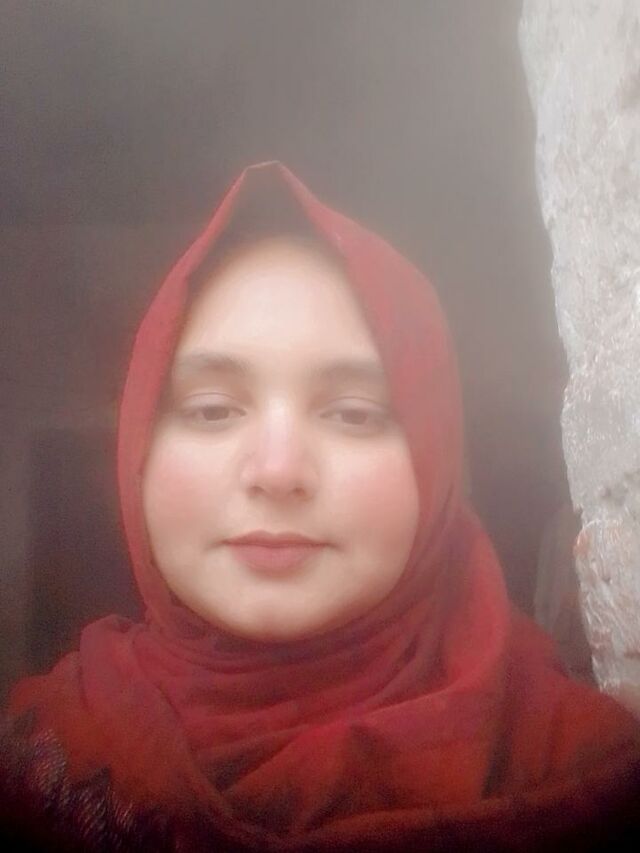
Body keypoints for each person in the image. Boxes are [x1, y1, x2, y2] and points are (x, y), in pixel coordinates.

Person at [1, 161, 639, 851]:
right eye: (212, 409)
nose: (278, 471)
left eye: (353, 414)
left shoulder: (578, 767)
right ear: (138, 452)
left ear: (435, 457)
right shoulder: (46, 761)